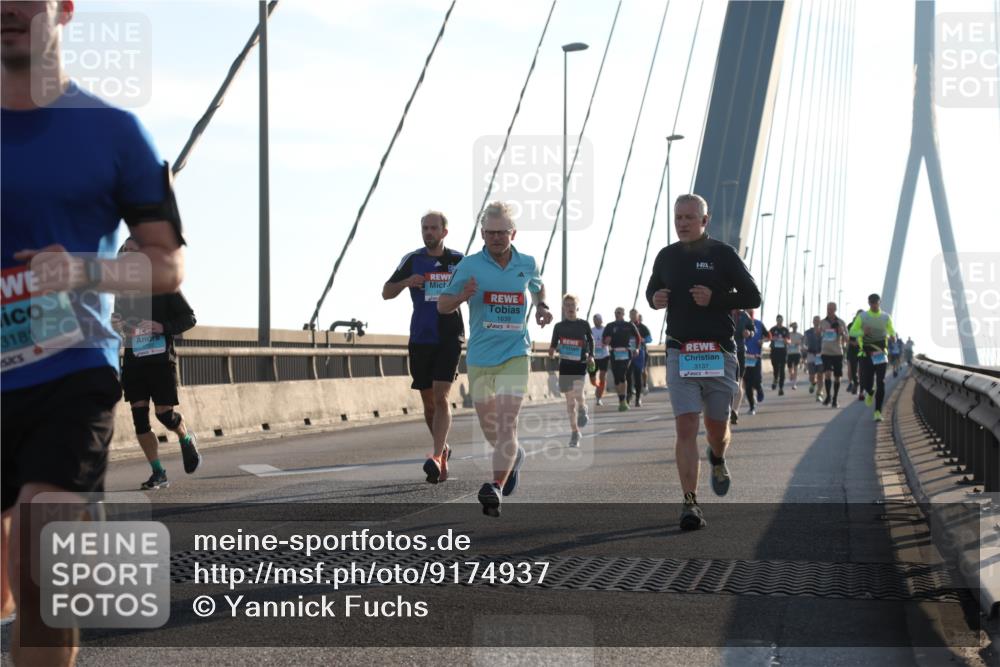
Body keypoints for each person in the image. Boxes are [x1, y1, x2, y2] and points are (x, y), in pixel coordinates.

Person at [1, 2, 185, 662]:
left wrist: (82, 267)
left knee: (42, 547)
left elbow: (167, 262)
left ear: (64, 9)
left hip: (69, 370)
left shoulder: (116, 132)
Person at [646, 194, 761, 530]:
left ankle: (719, 457)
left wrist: (717, 299)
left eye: (689, 218)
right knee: (686, 427)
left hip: (718, 353)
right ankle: (690, 502)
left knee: (716, 430)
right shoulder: (666, 256)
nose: (682, 223)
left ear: (704, 220)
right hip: (680, 353)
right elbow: (652, 290)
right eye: (678, 217)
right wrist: (655, 299)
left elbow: (753, 296)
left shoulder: (722, 254)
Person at [438, 201, 552, 517]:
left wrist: (542, 307)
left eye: (502, 232)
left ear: (513, 232)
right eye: (490, 233)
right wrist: (462, 295)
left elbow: (539, 289)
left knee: (506, 423)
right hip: (480, 357)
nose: (497, 238)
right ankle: (514, 457)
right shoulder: (469, 266)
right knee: (492, 429)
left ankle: (495, 487)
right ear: (482, 233)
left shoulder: (527, 262)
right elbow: (442, 306)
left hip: (516, 353)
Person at [382, 210, 464, 484]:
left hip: (449, 336)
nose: (428, 232)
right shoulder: (413, 259)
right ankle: (443, 449)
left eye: (433, 228)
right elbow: (386, 292)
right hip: (421, 337)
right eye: (424, 228)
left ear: (444, 232)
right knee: (429, 402)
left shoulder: (458, 261)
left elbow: (476, 290)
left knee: (441, 396)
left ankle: (437, 456)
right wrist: (407, 282)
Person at [114, 238, 200, 490]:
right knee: (139, 419)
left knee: (164, 414)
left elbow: (189, 317)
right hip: (134, 361)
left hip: (161, 361)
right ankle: (158, 472)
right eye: (126, 251)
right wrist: (119, 324)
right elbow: (120, 320)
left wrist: (163, 327)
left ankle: (184, 435)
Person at [548, 294, 594, 447]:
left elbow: (591, 341)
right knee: (569, 403)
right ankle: (575, 432)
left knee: (579, 394)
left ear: (577, 307)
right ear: (563, 308)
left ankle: (583, 407)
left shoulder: (584, 325)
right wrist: (552, 351)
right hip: (565, 365)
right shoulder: (559, 327)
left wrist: (591, 356)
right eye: (566, 305)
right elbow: (553, 343)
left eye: (572, 304)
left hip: (580, 364)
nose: (569, 307)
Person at [849, 293, 896, 422]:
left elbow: (892, 330)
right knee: (866, 382)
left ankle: (877, 412)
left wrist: (893, 336)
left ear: (879, 302)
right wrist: (863, 332)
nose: (874, 305)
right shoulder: (862, 317)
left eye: (876, 302)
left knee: (881, 382)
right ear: (869, 303)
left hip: (881, 354)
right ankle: (870, 392)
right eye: (872, 303)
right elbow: (852, 332)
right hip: (866, 354)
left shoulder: (886, 317)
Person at [602, 307, 641, 412]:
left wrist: (637, 348)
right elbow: (603, 340)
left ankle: (624, 401)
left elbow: (638, 338)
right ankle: (621, 400)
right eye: (615, 312)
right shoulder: (610, 326)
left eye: (619, 312)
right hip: (614, 352)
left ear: (623, 314)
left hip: (626, 352)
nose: (617, 314)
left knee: (623, 374)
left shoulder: (629, 325)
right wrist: (606, 341)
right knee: (617, 377)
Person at [818, 302, 848, 408]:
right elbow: (818, 334)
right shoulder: (822, 322)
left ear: (835, 309)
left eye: (831, 308)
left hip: (837, 353)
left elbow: (847, 339)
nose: (829, 310)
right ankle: (828, 396)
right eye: (828, 308)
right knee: (827, 374)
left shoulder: (841, 322)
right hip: (826, 352)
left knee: (837, 377)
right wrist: (819, 331)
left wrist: (841, 332)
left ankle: (835, 398)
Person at [730, 308, 753, 424]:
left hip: (739, 352)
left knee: (738, 381)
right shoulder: (722, 311)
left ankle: (735, 411)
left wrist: (749, 333)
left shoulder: (745, 315)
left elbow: (752, 330)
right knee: (725, 382)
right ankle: (727, 409)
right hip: (724, 352)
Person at [742, 309, 767, 415]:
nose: (749, 314)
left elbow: (768, 336)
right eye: (747, 312)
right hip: (744, 357)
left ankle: (759, 388)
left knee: (756, 380)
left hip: (756, 357)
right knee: (747, 384)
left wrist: (763, 341)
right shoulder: (740, 323)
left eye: (751, 312)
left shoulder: (759, 324)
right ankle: (752, 407)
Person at [627, 308, 652, 407]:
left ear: (638, 316)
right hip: (628, 353)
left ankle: (638, 398)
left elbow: (650, 339)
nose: (633, 316)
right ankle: (629, 395)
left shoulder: (643, 327)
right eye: (631, 314)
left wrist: (642, 339)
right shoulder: (626, 326)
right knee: (628, 375)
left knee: (638, 374)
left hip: (640, 353)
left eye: (634, 314)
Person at [589, 313, 610, 405]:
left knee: (602, 377)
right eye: (594, 320)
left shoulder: (606, 330)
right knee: (592, 379)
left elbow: (610, 339)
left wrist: (607, 342)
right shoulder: (591, 330)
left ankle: (599, 397)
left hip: (604, 356)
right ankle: (598, 387)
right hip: (594, 357)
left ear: (601, 320)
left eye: (597, 319)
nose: (596, 321)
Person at [768, 315, 790, 395]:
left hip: (783, 352)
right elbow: (768, 338)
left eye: (781, 320)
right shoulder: (773, 329)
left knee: (782, 371)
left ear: (782, 320)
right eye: (778, 320)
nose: (779, 321)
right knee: (776, 369)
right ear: (776, 320)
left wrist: (785, 341)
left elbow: (789, 341)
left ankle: (781, 388)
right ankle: (775, 379)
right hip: (774, 352)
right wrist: (772, 338)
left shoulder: (785, 330)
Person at [803, 316, 823, 400]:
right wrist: (804, 348)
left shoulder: (824, 331)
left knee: (820, 375)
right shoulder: (808, 332)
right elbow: (804, 343)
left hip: (821, 355)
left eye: (818, 320)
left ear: (820, 322)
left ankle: (819, 393)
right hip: (811, 355)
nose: (816, 322)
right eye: (815, 320)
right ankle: (813, 383)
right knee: (812, 376)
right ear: (813, 322)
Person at [846, 309, 863, 394]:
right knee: (851, 370)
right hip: (852, 350)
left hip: (862, 350)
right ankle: (852, 383)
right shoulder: (850, 325)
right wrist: (853, 342)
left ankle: (858, 387)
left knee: (861, 370)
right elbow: (846, 338)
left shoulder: (865, 325)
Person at [787, 322, 803, 390]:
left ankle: (794, 384)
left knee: (795, 368)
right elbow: (786, 340)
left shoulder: (799, 335)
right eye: (793, 327)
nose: (795, 328)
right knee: (790, 369)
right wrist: (788, 342)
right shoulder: (789, 334)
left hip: (797, 353)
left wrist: (799, 343)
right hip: (790, 353)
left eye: (796, 327)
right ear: (792, 327)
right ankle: (791, 375)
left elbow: (803, 341)